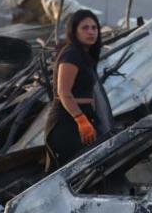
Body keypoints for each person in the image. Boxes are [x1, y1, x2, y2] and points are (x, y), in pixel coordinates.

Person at [45, 9, 113, 171]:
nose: (91, 32)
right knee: (70, 173)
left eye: (94, 27)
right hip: (67, 120)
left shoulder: (84, 55)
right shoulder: (71, 55)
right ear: (74, 31)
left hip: (83, 115)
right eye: (85, 28)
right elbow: (64, 92)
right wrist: (81, 120)